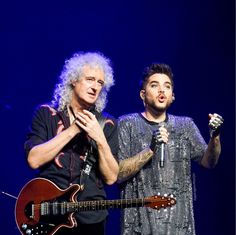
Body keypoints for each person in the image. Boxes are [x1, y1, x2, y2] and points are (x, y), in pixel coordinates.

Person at [117, 63, 223, 235]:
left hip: (179, 227)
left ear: (172, 96)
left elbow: (209, 162)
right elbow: (117, 174)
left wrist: (215, 137)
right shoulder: (126, 124)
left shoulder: (185, 126)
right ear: (142, 95)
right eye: (154, 85)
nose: (161, 90)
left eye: (167, 86)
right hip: (138, 226)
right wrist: (150, 150)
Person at [24, 51, 119, 235]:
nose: (95, 87)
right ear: (74, 80)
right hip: (50, 214)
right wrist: (73, 130)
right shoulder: (46, 114)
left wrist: (99, 139)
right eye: (90, 79)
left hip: (91, 218)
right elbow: (33, 160)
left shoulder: (108, 124)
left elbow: (111, 177)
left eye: (100, 82)